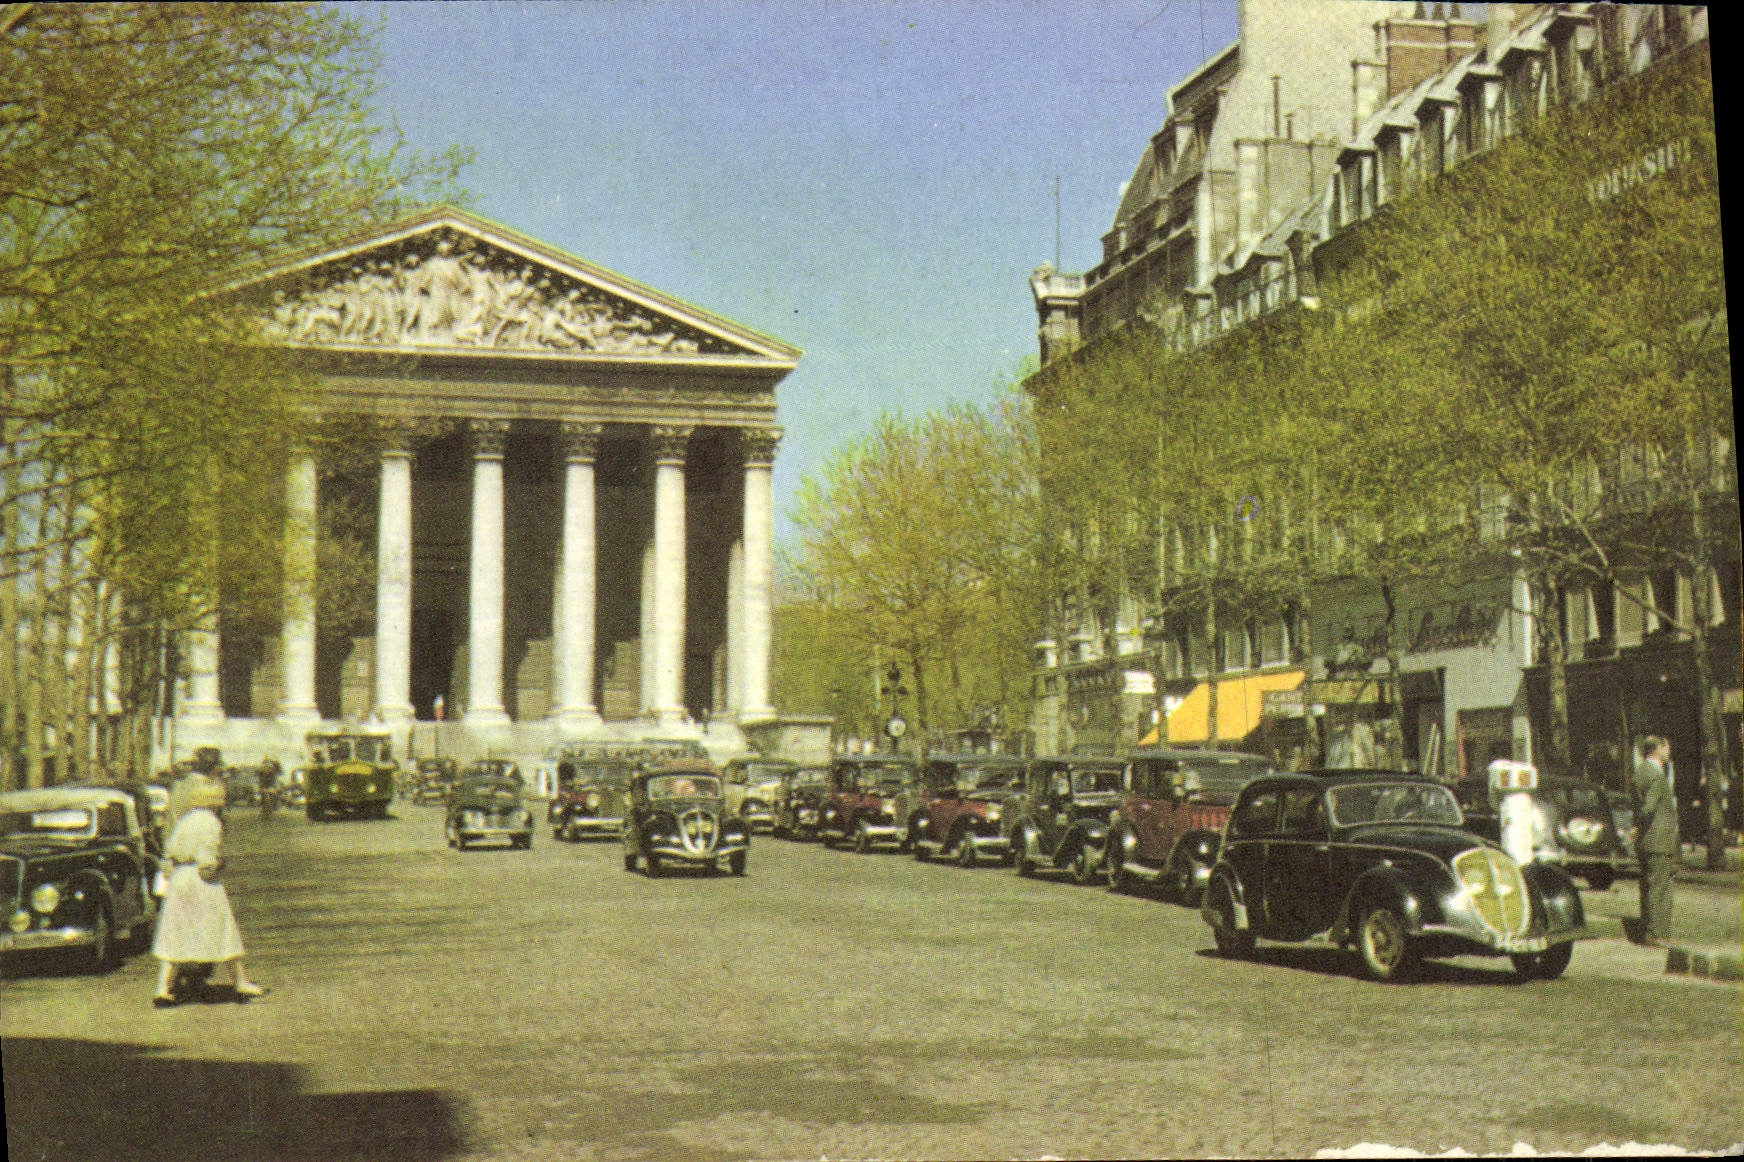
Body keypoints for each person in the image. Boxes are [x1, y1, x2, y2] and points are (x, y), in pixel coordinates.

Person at [151, 777, 267, 1006]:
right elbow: (207, 862)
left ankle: (163, 988)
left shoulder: (185, 820)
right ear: (214, 800)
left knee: (176, 931)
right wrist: (219, 864)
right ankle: (241, 982)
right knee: (222, 928)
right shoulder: (211, 822)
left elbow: (171, 850)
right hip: (200, 881)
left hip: (179, 878)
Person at [1631, 735, 1679, 947]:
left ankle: (1648, 930)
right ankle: (1656, 933)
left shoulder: (1639, 772)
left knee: (1648, 887)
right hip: (1659, 840)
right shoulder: (1657, 777)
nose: (1669, 751)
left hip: (1646, 840)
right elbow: (1648, 808)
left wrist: (1636, 829)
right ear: (1658, 749)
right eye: (1666, 746)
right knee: (1660, 887)